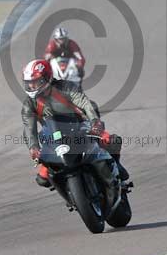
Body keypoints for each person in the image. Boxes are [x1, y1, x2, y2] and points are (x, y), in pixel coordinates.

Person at [21, 59, 127, 188]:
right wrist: (34, 147)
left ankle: (116, 165)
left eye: (36, 82)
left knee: (109, 140)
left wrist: (95, 121)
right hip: (53, 136)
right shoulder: (29, 104)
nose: (32, 86)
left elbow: (85, 103)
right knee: (43, 179)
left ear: (47, 78)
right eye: (29, 83)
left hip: (79, 125)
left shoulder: (65, 87)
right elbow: (28, 128)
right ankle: (70, 192)